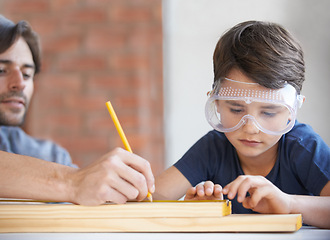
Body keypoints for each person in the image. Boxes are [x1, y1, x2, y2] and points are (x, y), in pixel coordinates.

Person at [154, 21, 330, 228]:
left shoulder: (303, 147)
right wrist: (193, 211)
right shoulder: (213, 148)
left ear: (292, 111)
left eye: (269, 112)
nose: (250, 128)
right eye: (236, 110)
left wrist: (289, 204)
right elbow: (152, 198)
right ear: (217, 103)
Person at [0, 15, 154, 205]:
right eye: (1, 71)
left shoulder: (51, 157)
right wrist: (73, 182)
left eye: (27, 74)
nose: (20, 84)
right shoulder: (65, 172)